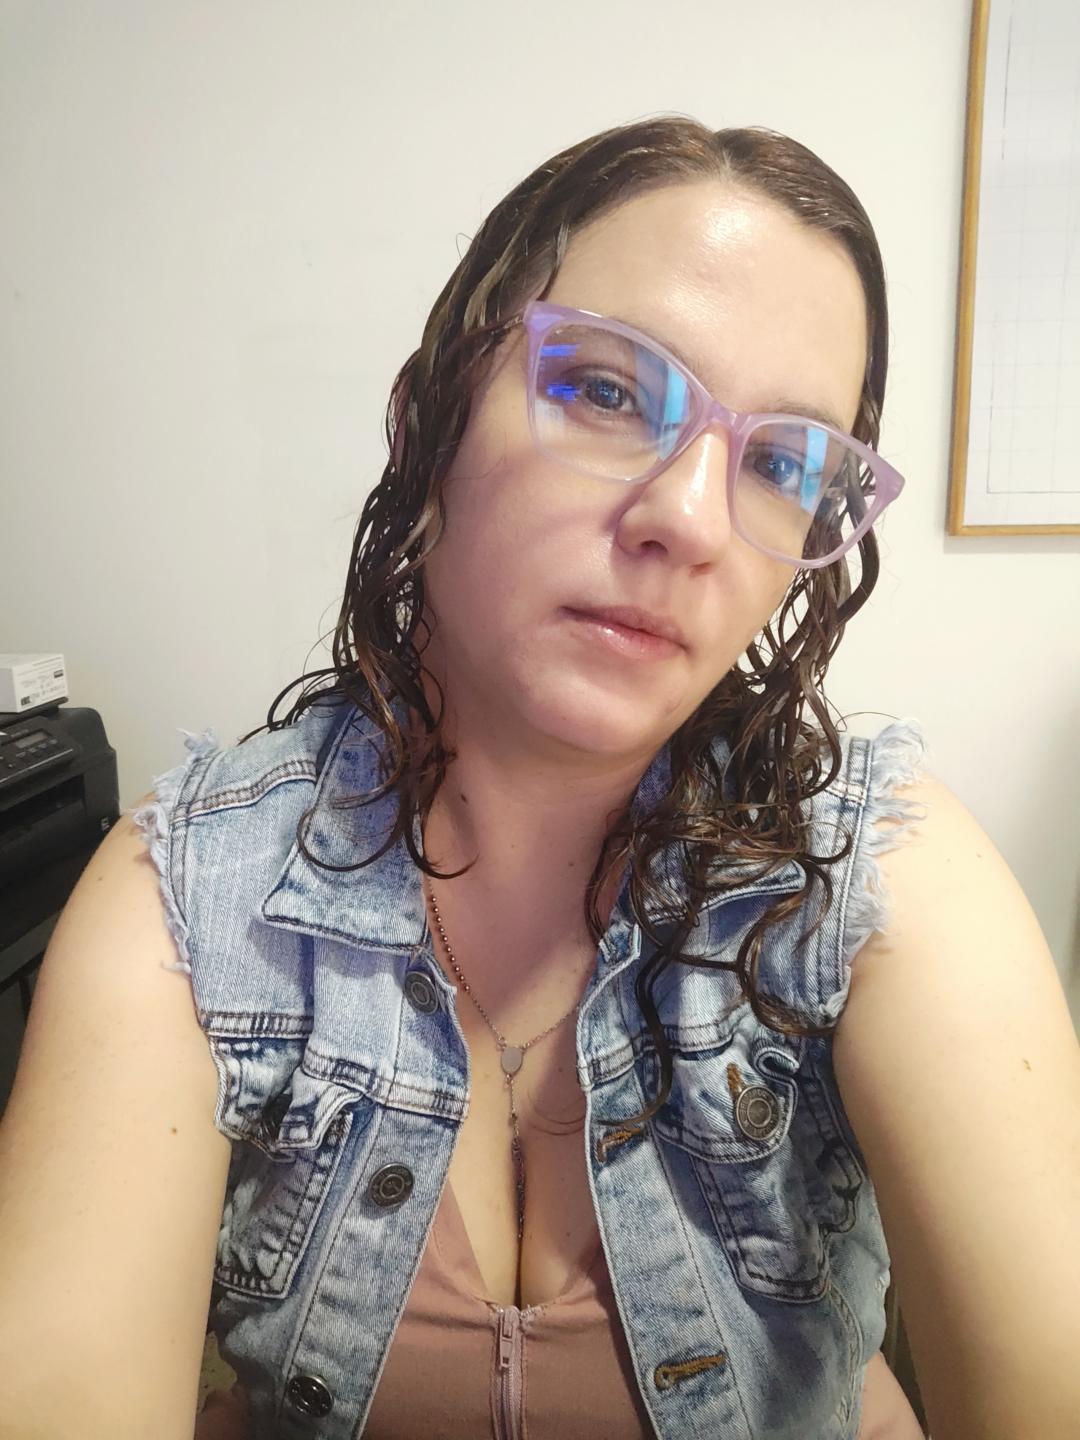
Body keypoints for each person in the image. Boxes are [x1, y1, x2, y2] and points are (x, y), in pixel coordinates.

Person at [1, 116, 1077, 1440]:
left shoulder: (872, 880)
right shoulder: (196, 900)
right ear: (428, 418)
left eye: (783, 462)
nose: (687, 519)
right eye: (610, 392)